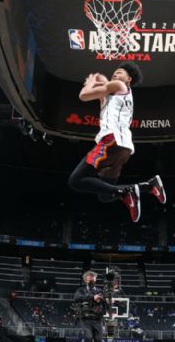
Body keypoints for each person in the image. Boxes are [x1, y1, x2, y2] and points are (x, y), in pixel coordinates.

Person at [68, 62, 167, 222]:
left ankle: (126, 192)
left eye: (120, 72)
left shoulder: (119, 85)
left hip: (111, 141)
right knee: (105, 196)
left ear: (128, 79)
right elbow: (104, 95)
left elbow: (83, 95)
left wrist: (90, 83)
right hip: (123, 149)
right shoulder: (115, 97)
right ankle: (148, 186)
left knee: (76, 180)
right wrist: (101, 82)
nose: (115, 74)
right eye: (114, 73)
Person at [74, 270, 106, 342]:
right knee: (88, 337)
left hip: (97, 320)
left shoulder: (101, 291)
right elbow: (77, 298)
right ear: (85, 279)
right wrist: (92, 298)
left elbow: (105, 302)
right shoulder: (80, 290)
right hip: (85, 319)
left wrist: (103, 300)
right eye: (89, 276)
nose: (92, 278)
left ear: (96, 279)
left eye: (93, 277)